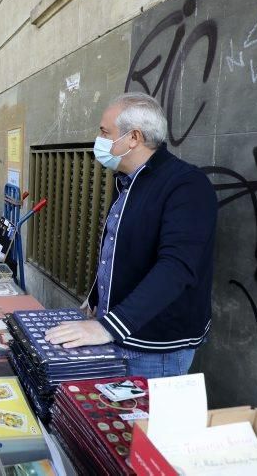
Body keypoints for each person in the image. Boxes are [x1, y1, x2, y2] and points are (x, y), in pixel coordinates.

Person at [44, 93, 217, 379]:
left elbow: (176, 268)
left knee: (143, 425)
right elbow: (119, 246)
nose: (98, 139)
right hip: (119, 335)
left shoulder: (187, 185)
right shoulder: (127, 181)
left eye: (104, 132)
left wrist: (108, 327)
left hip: (154, 350)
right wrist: (97, 297)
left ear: (133, 137)